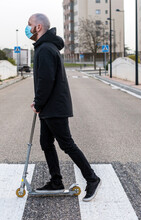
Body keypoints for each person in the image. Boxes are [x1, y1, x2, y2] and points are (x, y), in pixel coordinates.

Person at [26, 13, 101, 202]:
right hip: (50, 108)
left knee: (66, 144)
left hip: (54, 108)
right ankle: (56, 181)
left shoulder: (44, 50)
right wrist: (40, 103)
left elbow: (46, 80)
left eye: (30, 25)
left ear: (39, 27)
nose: (28, 28)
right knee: (46, 143)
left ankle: (92, 179)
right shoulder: (47, 48)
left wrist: (39, 102)